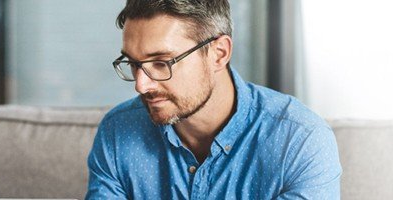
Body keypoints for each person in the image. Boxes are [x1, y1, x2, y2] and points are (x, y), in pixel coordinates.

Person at [85, 0, 342, 199]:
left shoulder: (300, 141)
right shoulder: (117, 132)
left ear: (219, 54)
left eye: (162, 63)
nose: (141, 85)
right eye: (133, 63)